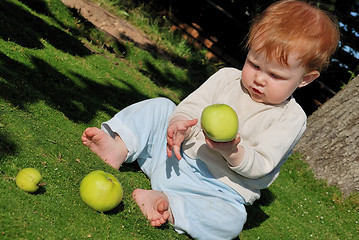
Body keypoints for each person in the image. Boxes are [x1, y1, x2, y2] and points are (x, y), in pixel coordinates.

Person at [81, 1, 340, 239]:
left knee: (231, 222)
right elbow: (192, 106)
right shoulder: (227, 78)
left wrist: (234, 151)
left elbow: (263, 163)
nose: (259, 79)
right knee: (162, 107)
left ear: (305, 79)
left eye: (275, 75)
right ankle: (119, 146)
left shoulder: (291, 118)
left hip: (216, 190)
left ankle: (169, 205)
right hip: (175, 157)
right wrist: (179, 123)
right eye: (254, 64)